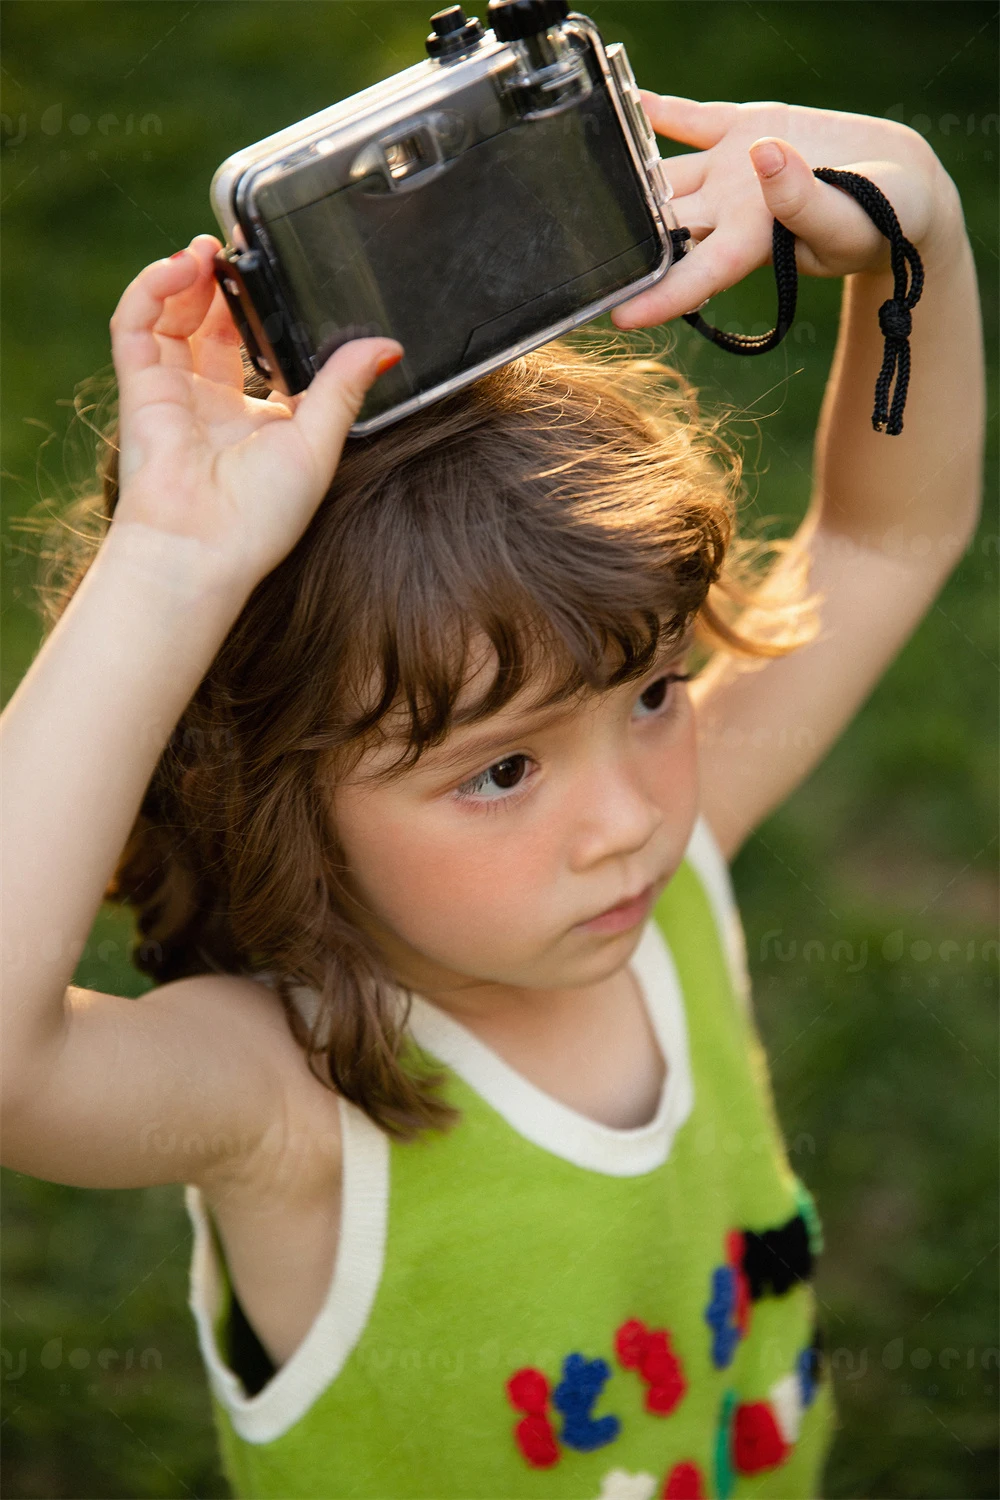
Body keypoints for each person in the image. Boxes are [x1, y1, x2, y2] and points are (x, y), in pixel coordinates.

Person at [0, 94, 984, 1500]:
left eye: (650, 694)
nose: (628, 817)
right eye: (502, 769)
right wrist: (169, 563)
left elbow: (890, 537)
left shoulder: (677, 871)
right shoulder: (284, 1102)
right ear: (284, 800)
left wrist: (914, 230)